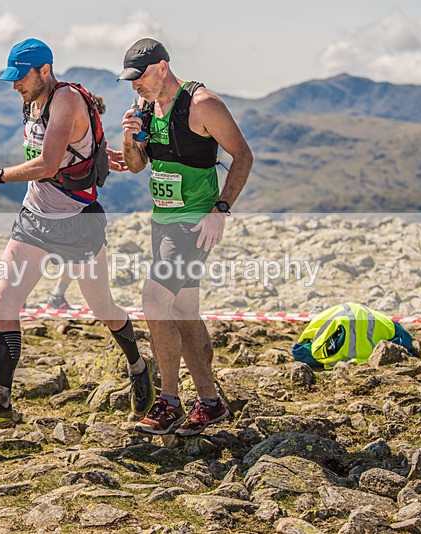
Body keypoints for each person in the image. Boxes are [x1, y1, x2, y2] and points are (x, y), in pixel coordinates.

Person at [0, 38, 155, 429]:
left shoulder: (65, 100)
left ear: (44, 71)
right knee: (4, 300)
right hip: (34, 217)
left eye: (21, 77)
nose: (16, 85)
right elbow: (63, 151)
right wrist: (94, 153)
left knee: (103, 309)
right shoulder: (32, 101)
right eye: (12, 78)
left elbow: (49, 164)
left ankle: (138, 366)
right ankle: (0, 401)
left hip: (78, 221)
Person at [119, 38, 253, 436]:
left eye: (140, 77)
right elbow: (136, 166)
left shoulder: (203, 104)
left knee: (154, 298)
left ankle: (169, 401)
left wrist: (220, 210)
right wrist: (129, 139)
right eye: (130, 80)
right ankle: (210, 402)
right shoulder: (145, 108)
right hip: (163, 221)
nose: (135, 86)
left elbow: (243, 156)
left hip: (194, 224)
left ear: (162, 68)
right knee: (182, 311)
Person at [44, 94, 107, 310]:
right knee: (55, 252)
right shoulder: (68, 125)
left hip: (73, 202)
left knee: (73, 255)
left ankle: (55, 295)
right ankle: (45, 295)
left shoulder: (83, 127)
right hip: (67, 202)